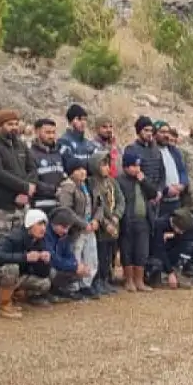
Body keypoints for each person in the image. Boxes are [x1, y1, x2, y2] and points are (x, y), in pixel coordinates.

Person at [0, 209, 54, 319]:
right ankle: (4, 304)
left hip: (15, 278)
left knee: (44, 282)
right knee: (12, 268)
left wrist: (44, 262)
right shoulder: (12, 237)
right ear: (30, 224)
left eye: (45, 225)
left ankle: (11, 296)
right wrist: (25, 257)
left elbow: (43, 274)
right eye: (40, 224)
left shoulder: (39, 242)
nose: (43, 228)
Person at [0, 109, 38, 243]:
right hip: (0, 209)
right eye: (9, 124)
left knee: (18, 250)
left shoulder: (21, 145)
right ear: (0, 126)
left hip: (21, 207)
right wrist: (24, 187)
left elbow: (33, 168)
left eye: (16, 124)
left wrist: (26, 192)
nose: (14, 127)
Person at [57, 159, 100, 298]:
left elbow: (99, 204)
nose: (82, 172)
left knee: (91, 257)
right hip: (76, 230)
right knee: (76, 257)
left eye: (84, 169)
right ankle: (73, 286)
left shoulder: (88, 185)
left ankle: (86, 284)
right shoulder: (68, 187)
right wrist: (83, 224)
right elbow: (66, 210)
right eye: (78, 169)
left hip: (89, 228)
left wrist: (96, 220)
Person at [116, 153, 157, 291]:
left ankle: (139, 281)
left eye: (138, 165)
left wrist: (144, 180)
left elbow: (153, 193)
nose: (137, 169)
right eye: (133, 166)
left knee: (141, 251)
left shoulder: (142, 178)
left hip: (143, 220)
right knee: (127, 251)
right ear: (126, 167)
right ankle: (128, 280)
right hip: (127, 220)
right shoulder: (120, 181)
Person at [88, 152, 124, 295]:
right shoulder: (92, 183)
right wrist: (106, 222)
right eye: (103, 165)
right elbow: (97, 206)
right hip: (102, 227)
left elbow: (121, 200)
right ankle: (97, 281)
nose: (106, 168)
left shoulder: (112, 182)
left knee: (110, 255)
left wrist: (117, 216)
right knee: (100, 255)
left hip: (114, 224)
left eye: (108, 164)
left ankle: (106, 279)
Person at [148, 208, 193, 289]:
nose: (182, 232)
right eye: (181, 230)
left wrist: (173, 235)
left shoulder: (182, 226)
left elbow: (185, 240)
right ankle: (155, 276)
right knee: (157, 263)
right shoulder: (159, 225)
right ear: (174, 223)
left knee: (188, 244)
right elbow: (159, 250)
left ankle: (180, 271)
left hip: (171, 252)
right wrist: (170, 272)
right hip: (155, 255)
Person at [153, 120, 188, 219]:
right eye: (162, 132)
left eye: (167, 132)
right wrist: (166, 189)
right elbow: (151, 177)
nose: (166, 135)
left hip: (176, 201)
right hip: (160, 202)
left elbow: (182, 170)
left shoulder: (174, 151)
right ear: (155, 134)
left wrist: (182, 184)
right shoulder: (152, 152)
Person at [123, 116, 165, 200]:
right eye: (146, 130)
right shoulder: (131, 149)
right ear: (139, 131)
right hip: (141, 197)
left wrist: (159, 191)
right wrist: (152, 193)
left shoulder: (156, 150)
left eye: (151, 130)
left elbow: (162, 173)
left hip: (157, 197)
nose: (149, 133)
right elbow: (134, 175)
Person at [30, 118, 64, 216]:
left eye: (53, 132)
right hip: (40, 207)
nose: (51, 136)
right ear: (37, 132)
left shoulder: (58, 153)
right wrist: (54, 190)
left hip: (59, 207)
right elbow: (32, 181)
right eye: (48, 132)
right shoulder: (30, 154)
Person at [57, 103, 97, 169]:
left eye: (84, 119)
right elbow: (70, 164)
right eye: (79, 119)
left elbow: (98, 163)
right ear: (70, 121)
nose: (83, 122)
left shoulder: (88, 143)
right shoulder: (63, 141)